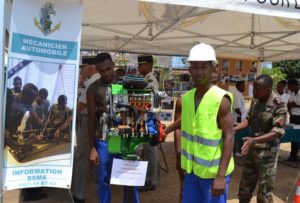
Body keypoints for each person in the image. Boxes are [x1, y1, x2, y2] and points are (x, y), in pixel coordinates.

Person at [164, 43, 235, 203]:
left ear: (213, 69)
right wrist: (178, 158)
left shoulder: (221, 99)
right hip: (192, 172)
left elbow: (230, 136)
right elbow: (187, 122)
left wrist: (221, 176)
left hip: (213, 174)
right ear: (189, 70)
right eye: (195, 67)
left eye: (204, 67)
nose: (199, 71)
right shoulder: (186, 99)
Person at [87, 53, 139, 203]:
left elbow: (139, 110)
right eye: (101, 71)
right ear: (97, 70)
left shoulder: (126, 84)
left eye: (108, 69)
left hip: (125, 139)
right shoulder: (93, 89)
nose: (106, 73)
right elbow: (91, 120)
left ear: (113, 65)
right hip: (104, 140)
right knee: (103, 178)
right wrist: (93, 148)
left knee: (130, 178)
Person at [234, 74, 287, 203]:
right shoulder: (256, 101)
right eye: (254, 88)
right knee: (244, 191)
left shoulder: (279, 105)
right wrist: (235, 129)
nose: (254, 91)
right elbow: (249, 119)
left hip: (267, 155)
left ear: (268, 90)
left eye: (257, 89)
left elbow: (277, 131)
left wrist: (254, 140)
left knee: (264, 194)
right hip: (252, 151)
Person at [5, 83, 47, 201]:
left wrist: (42, 126)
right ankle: (29, 192)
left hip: (17, 136)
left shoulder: (28, 104)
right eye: (32, 98)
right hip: (7, 136)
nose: (33, 101)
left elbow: (35, 119)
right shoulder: (10, 100)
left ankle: (30, 189)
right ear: (25, 94)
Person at [72, 58, 100, 203]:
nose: (83, 70)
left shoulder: (90, 83)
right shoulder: (102, 80)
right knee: (97, 152)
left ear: (91, 67)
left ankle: (79, 194)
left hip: (87, 122)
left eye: (85, 67)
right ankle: (95, 181)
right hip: (100, 124)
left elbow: (80, 107)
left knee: (82, 157)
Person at [137, 54, 160, 191]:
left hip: (149, 120)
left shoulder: (151, 80)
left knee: (150, 152)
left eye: (141, 65)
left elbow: (150, 103)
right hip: (146, 120)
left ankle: (151, 181)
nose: (139, 67)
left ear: (149, 65)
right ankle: (152, 178)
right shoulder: (146, 79)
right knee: (149, 152)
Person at [285, 79, 300, 162]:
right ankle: (293, 156)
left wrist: (296, 105)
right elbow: (289, 104)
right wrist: (290, 111)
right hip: (293, 117)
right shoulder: (292, 94)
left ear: (294, 85)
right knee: (293, 136)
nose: (289, 88)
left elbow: (293, 104)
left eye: (289, 86)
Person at [232, 81, 246, 157]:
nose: (244, 87)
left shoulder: (239, 94)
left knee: (238, 135)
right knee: (237, 135)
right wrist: (243, 115)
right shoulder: (237, 94)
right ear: (238, 86)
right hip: (237, 118)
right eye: (243, 86)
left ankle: (237, 151)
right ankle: (235, 151)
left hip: (239, 118)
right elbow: (236, 108)